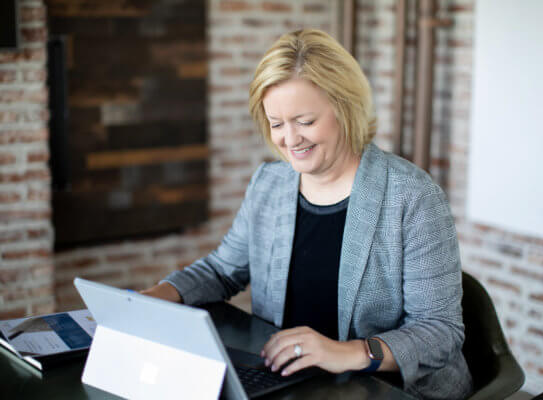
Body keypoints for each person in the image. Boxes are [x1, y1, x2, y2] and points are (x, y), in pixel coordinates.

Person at [142, 29, 473, 400]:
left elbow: (440, 330)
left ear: (346, 108)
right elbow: (222, 270)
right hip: (295, 380)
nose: (290, 139)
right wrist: (151, 298)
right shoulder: (268, 183)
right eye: (277, 123)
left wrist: (346, 352)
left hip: (390, 390)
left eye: (305, 120)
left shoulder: (412, 197)